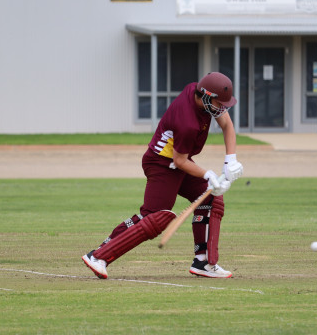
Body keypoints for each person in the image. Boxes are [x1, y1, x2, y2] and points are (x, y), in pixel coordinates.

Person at [82, 72, 244, 279]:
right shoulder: (188, 122)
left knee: (211, 199)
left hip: (178, 162)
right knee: (154, 217)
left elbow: (227, 125)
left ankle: (202, 262)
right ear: (205, 96)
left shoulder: (199, 93)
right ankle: (98, 255)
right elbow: (180, 161)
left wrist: (230, 159)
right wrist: (208, 175)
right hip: (160, 163)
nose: (222, 108)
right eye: (219, 103)